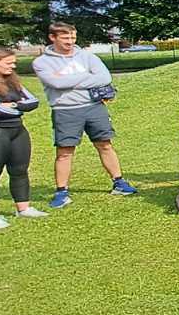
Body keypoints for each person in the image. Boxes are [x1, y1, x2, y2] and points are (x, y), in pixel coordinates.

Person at [33, 22, 137, 209]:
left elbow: (105, 78)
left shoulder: (87, 56)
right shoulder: (42, 62)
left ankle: (119, 182)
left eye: (73, 37)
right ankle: (61, 192)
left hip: (94, 107)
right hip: (65, 110)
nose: (70, 42)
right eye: (65, 38)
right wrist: (86, 78)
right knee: (65, 151)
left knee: (105, 144)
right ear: (53, 38)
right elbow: (55, 84)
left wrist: (68, 81)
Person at [0, 47, 42, 229]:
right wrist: (16, 107)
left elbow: (33, 101)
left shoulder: (13, 82)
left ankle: (23, 208)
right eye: (8, 63)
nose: (13, 66)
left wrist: (14, 104)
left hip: (17, 131)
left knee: (20, 170)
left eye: (13, 62)